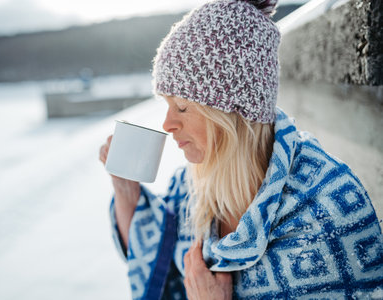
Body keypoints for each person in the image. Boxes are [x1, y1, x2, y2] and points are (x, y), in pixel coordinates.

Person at [99, 0, 383, 299]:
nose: (168, 124)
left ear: (233, 113)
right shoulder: (191, 186)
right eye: (167, 105)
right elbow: (154, 253)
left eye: (182, 107)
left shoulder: (326, 210)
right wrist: (126, 191)